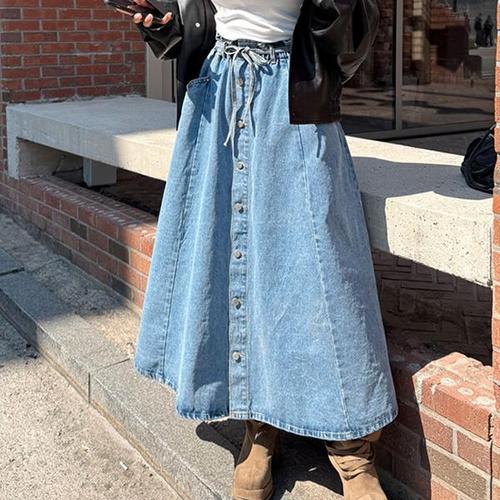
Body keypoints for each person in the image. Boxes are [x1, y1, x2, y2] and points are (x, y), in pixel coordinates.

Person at [126, 0, 399, 498]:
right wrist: (161, 25)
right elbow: (193, 24)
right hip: (218, 94)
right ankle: (258, 427)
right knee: (231, 261)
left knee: (323, 271)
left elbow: (351, 32)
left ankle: (352, 448)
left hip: (295, 93)